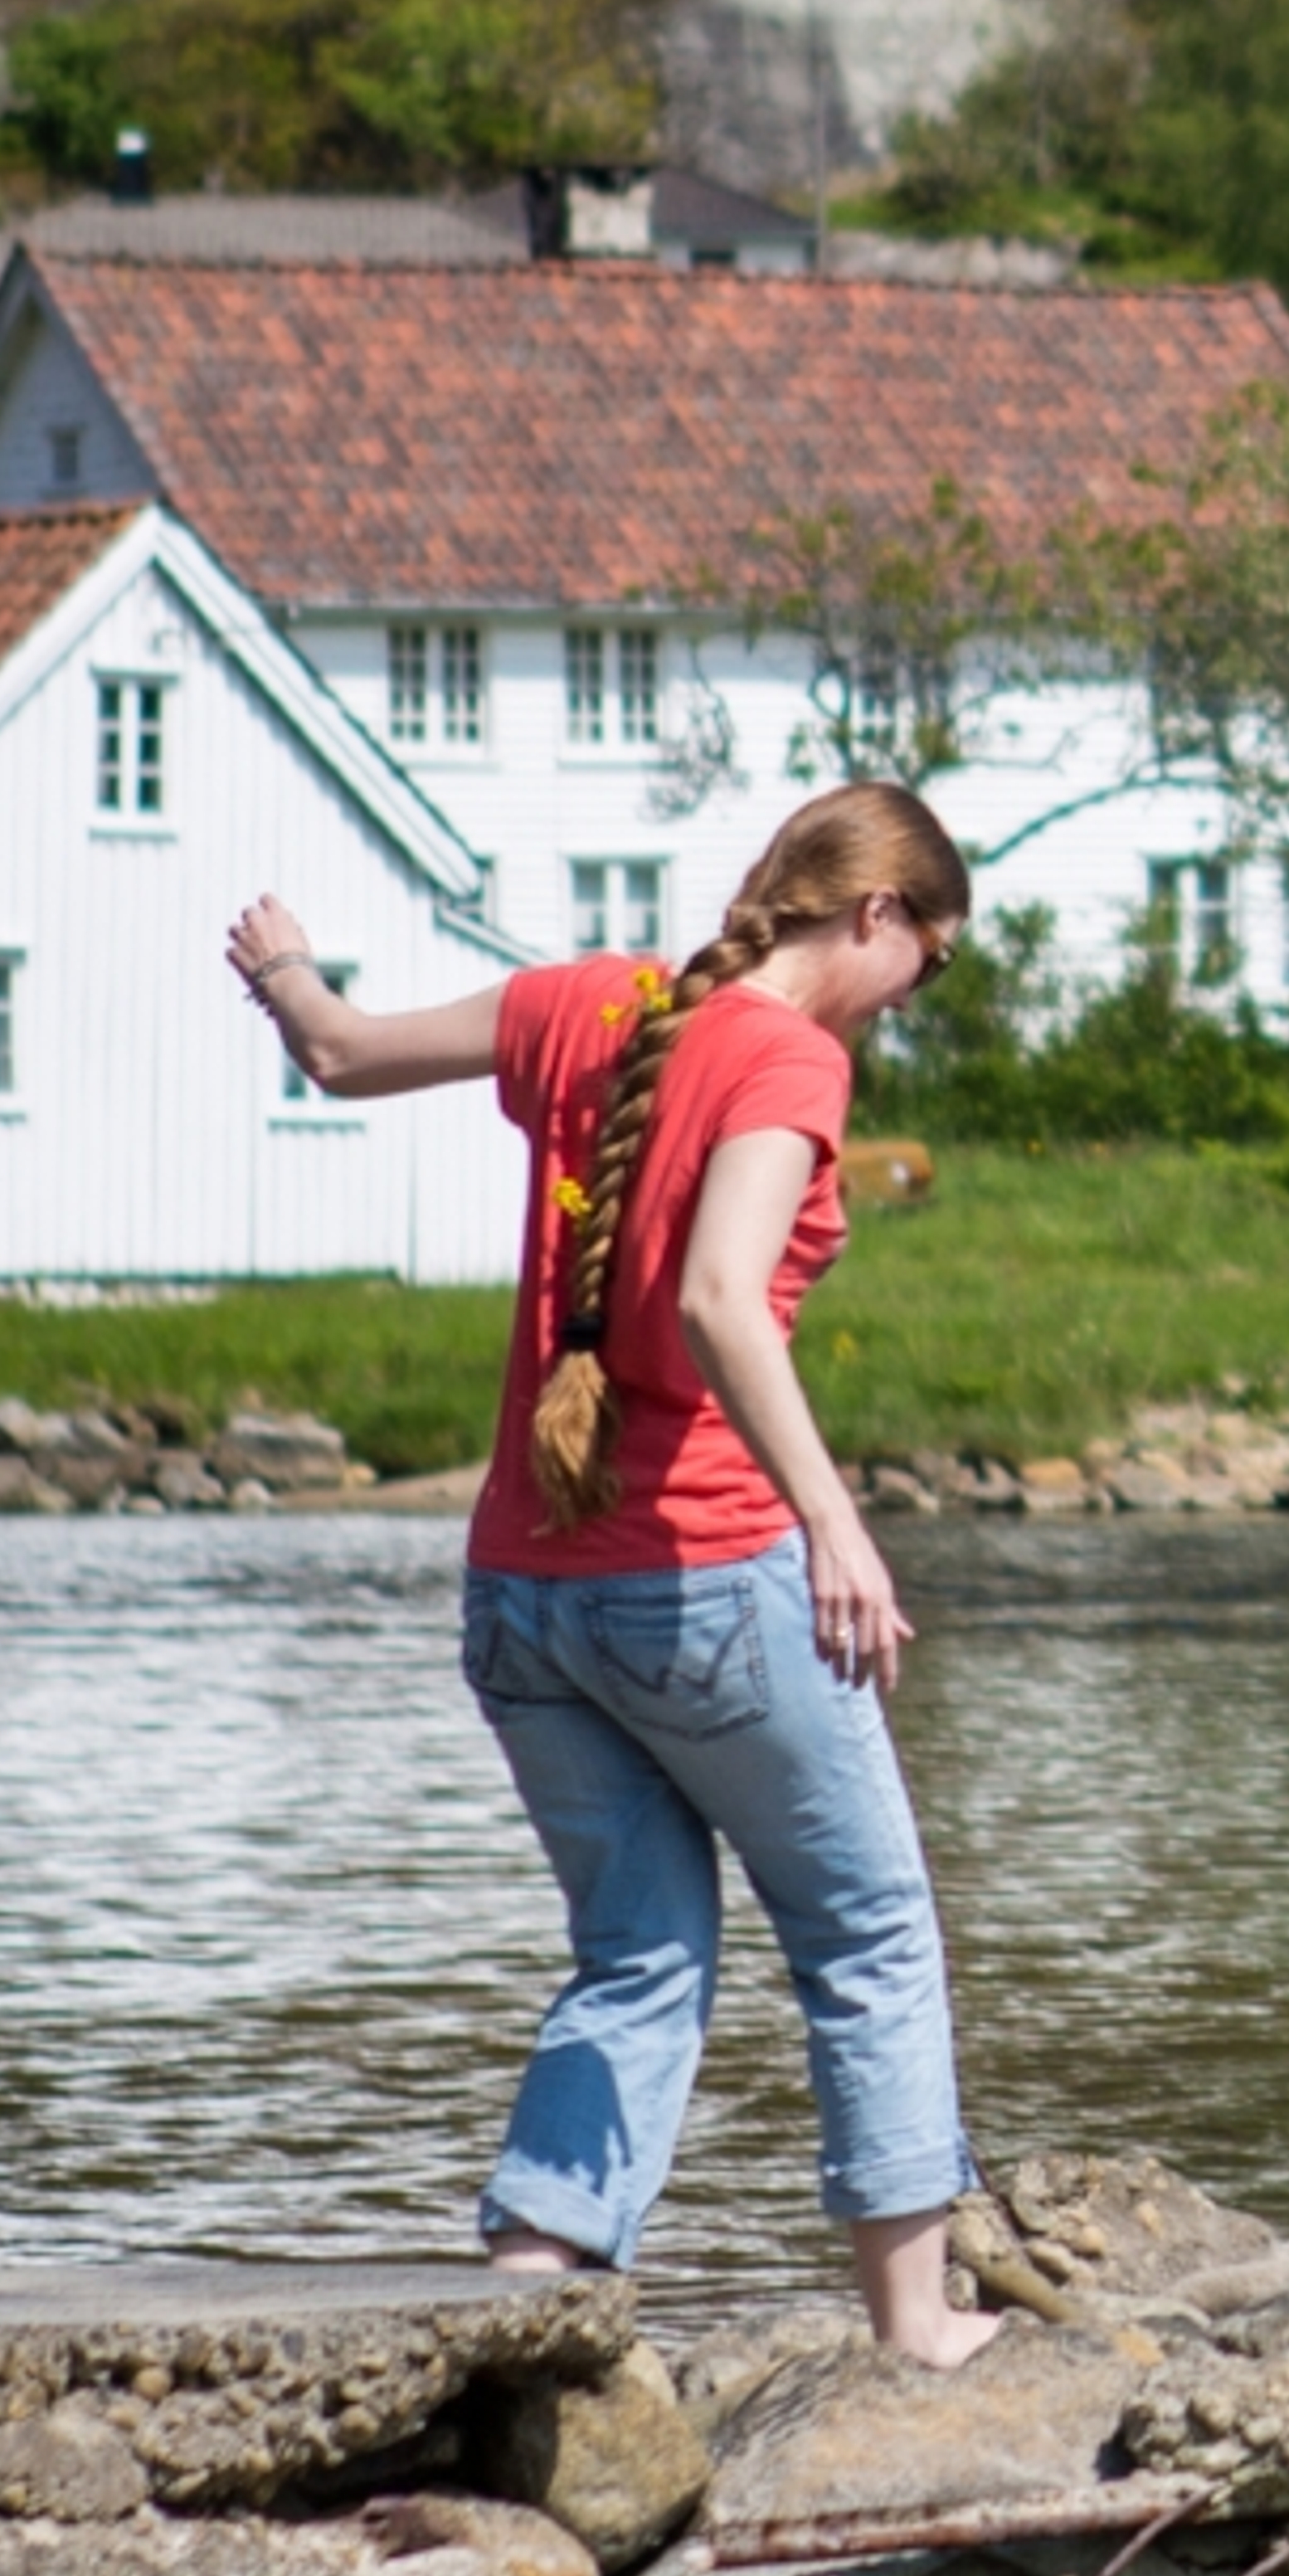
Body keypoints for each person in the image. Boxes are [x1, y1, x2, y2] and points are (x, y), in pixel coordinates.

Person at [223, 782, 999, 2367]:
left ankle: (527, 2292)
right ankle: (921, 2329)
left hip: (521, 1593)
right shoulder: (792, 1058)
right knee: (867, 1935)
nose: (919, 991)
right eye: (929, 956)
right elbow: (722, 1297)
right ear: (874, 916)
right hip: (702, 1581)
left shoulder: (594, 1003)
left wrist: (283, 968)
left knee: (641, 1948)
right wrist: (838, 1525)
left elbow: (341, 1053)